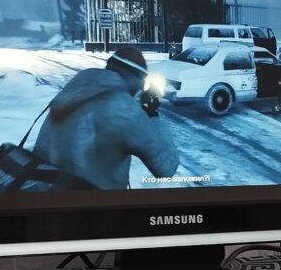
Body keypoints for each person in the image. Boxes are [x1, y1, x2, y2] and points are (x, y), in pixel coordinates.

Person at [33, 45, 178, 189]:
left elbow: (103, 112)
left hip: (44, 194)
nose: (141, 87)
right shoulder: (125, 110)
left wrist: (133, 104)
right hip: (94, 199)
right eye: (142, 80)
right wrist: (153, 115)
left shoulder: (77, 89)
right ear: (137, 77)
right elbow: (166, 167)